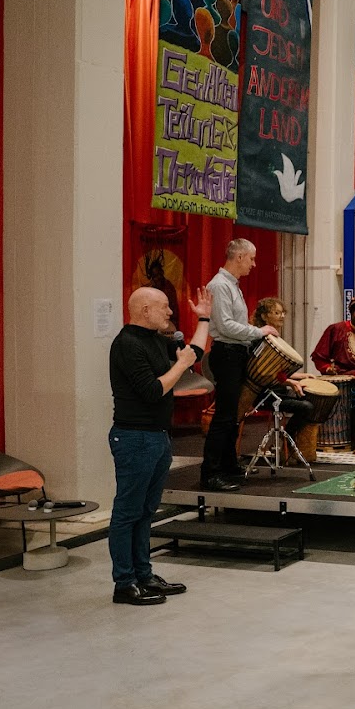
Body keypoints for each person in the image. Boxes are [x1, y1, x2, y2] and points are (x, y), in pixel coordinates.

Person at [108, 286, 211, 605]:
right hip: (133, 437)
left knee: (145, 511)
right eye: (164, 307)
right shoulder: (127, 344)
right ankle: (124, 583)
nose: (170, 312)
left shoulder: (156, 339)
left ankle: (144, 574)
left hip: (155, 436)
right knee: (128, 512)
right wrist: (179, 366)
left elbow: (193, 356)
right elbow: (154, 391)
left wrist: (204, 319)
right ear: (144, 311)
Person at [201, 239, 276, 493]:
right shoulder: (220, 285)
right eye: (252, 259)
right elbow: (224, 326)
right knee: (224, 416)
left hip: (236, 353)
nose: (254, 264)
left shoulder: (232, 285)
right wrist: (259, 331)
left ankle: (229, 464)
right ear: (240, 257)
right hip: (226, 354)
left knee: (235, 414)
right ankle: (211, 473)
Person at [248, 297, 312, 437]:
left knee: (312, 400)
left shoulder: (274, 337)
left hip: (278, 391)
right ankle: (286, 441)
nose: (282, 316)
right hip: (264, 394)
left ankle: (294, 444)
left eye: (283, 312)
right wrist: (290, 381)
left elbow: (276, 371)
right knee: (306, 407)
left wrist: (299, 376)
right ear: (264, 316)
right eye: (277, 313)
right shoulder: (260, 339)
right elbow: (264, 373)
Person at [309, 293, 355, 376]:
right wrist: (327, 368)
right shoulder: (335, 329)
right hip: (338, 377)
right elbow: (319, 356)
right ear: (352, 312)